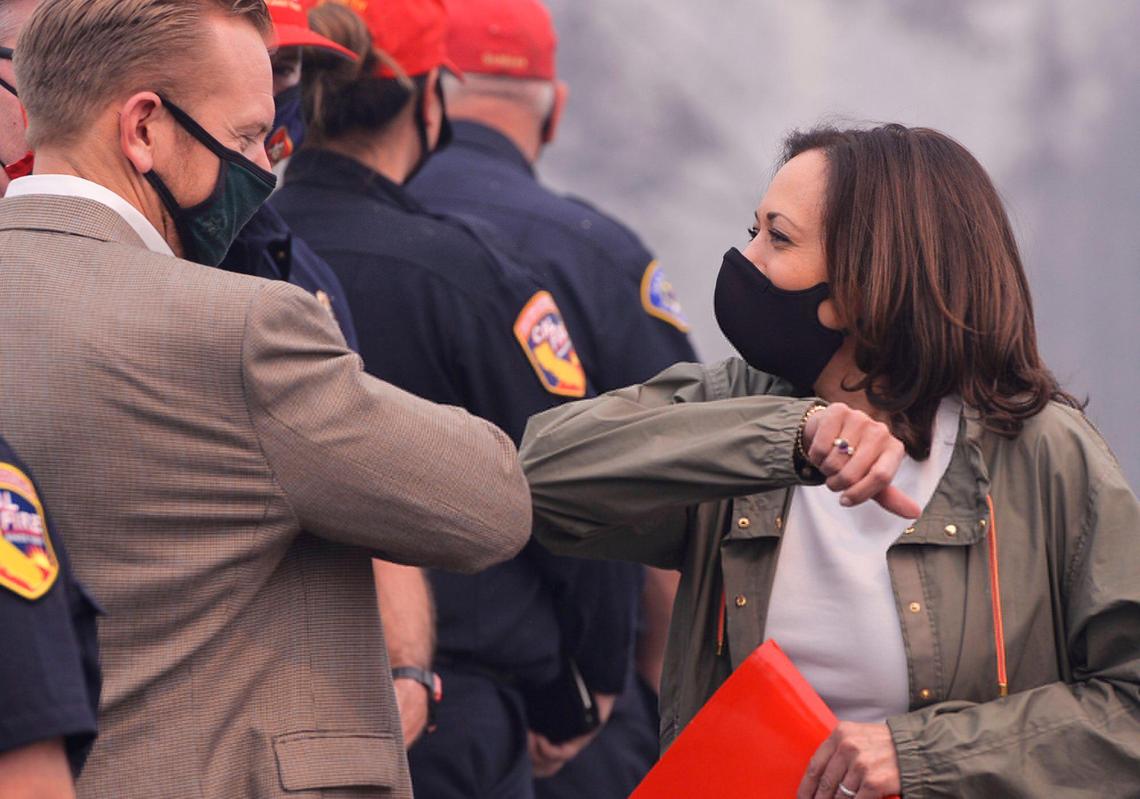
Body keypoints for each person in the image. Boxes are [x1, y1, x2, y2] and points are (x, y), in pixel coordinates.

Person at [2, 2, 532, 798]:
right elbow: (488, 503)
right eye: (247, 137)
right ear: (142, 127)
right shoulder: (244, 325)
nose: (267, 165)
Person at [520, 124, 1140, 798]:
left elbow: (1128, 708)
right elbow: (536, 480)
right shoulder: (737, 400)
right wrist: (790, 437)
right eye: (751, 229)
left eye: (777, 238)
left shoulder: (1043, 449)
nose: (743, 260)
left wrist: (920, 757)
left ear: (868, 277)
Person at [272, 3, 638, 796]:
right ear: (431, 96)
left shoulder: (232, 254)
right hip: (459, 713)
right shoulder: (475, 277)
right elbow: (580, 477)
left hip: (267, 703)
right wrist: (587, 688)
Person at [408, 1, 699, 793]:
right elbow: (676, 503)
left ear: (427, 91)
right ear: (556, 111)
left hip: (360, 703)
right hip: (564, 719)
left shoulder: (314, 239)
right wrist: (632, 702)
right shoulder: (601, 257)